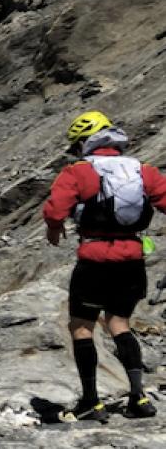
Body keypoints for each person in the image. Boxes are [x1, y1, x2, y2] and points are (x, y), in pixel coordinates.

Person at [44, 111, 166, 421]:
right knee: (119, 323)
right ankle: (138, 398)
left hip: (94, 259)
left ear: (84, 143)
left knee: (81, 326)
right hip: (132, 259)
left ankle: (91, 402)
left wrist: (54, 228)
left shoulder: (78, 171)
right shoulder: (143, 170)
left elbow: (55, 210)